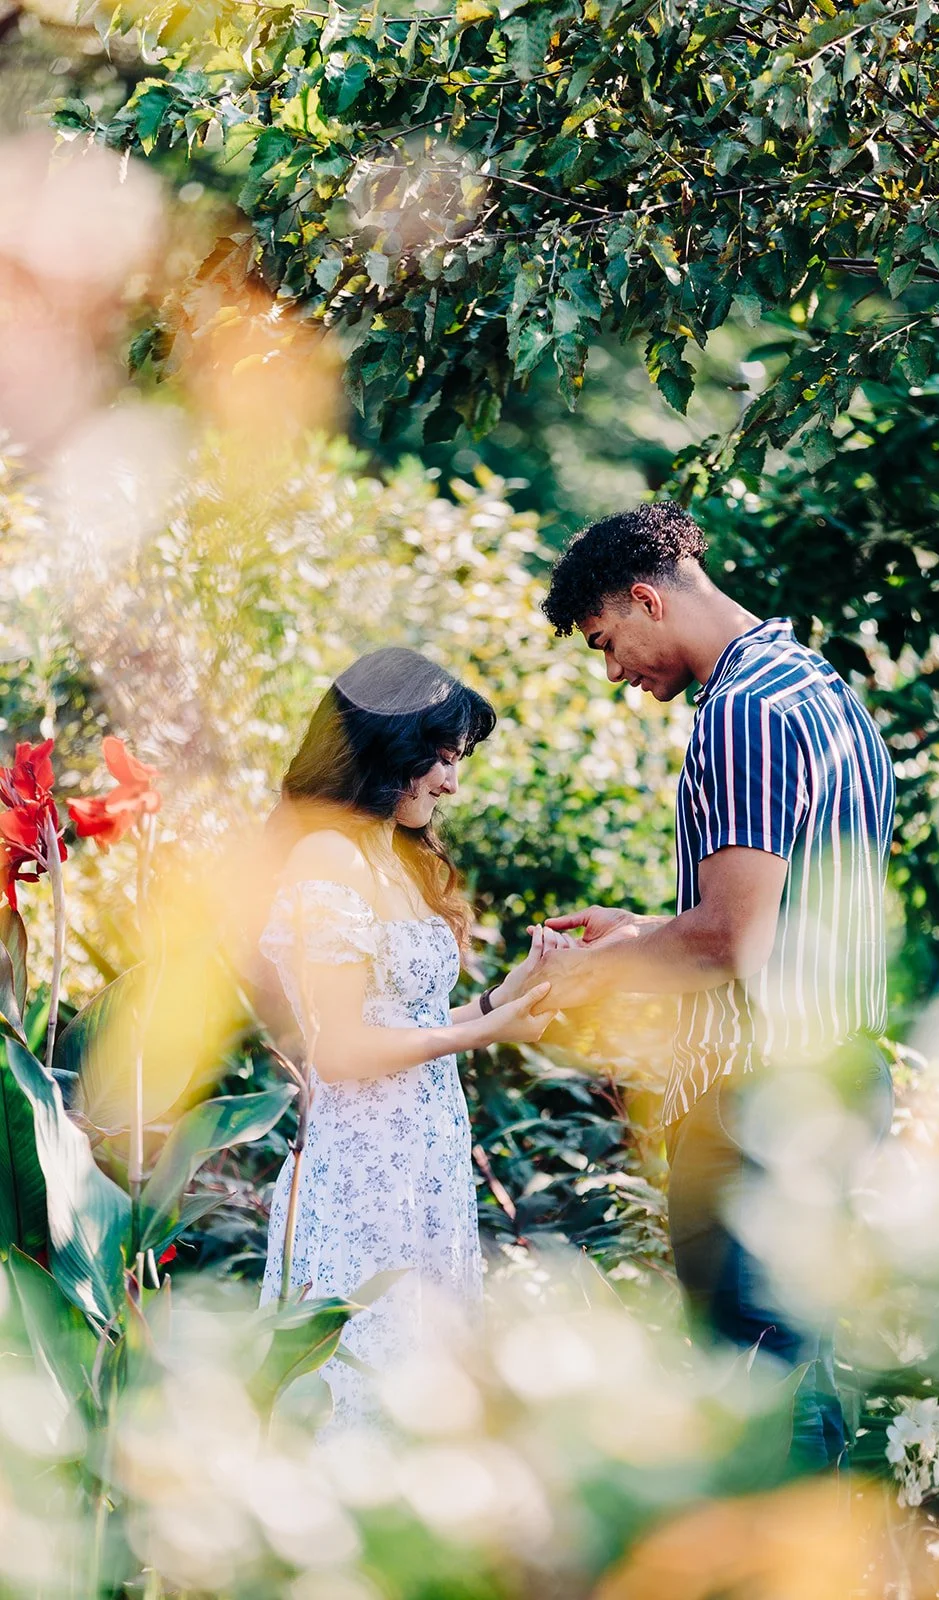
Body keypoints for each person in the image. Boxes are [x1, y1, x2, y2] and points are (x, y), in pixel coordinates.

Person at [533, 502, 896, 1470]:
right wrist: (645, 928)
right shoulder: (817, 689)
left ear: (647, 598)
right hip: (833, 1082)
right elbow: (775, 913)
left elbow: (734, 937)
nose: (613, 672)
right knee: (804, 1376)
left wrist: (591, 969)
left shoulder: (738, 712)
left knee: (753, 1407)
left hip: (754, 1110)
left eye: (608, 642)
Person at [257, 647, 561, 1430]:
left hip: (421, 1158)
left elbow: (407, 1023)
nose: (452, 782)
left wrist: (508, 990)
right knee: (364, 1383)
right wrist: (488, 1031)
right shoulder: (324, 857)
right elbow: (339, 1048)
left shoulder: (387, 857)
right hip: (362, 1168)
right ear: (388, 747)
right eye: (443, 758)